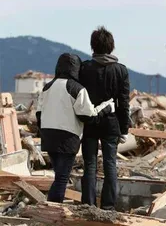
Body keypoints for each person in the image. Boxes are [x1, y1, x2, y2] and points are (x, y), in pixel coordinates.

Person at [36, 53, 115, 203]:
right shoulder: (77, 88)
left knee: (59, 175)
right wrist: (107, 107)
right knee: (62, 178)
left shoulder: (47, 87)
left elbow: (39, 114)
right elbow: (89, 116)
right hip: (67, 137)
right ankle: (52, 209)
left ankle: (50, 207)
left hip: (48, 135)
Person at [80, 26, 130, 210]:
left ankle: (88, 205)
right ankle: (108, 207)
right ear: (111, 47)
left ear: (93, 46)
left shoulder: (84, 68)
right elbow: (123, 103)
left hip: (89, 123)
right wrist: (124, 128)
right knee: (110, 164)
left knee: (90, 165)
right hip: (111, 123)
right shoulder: (121, 71)